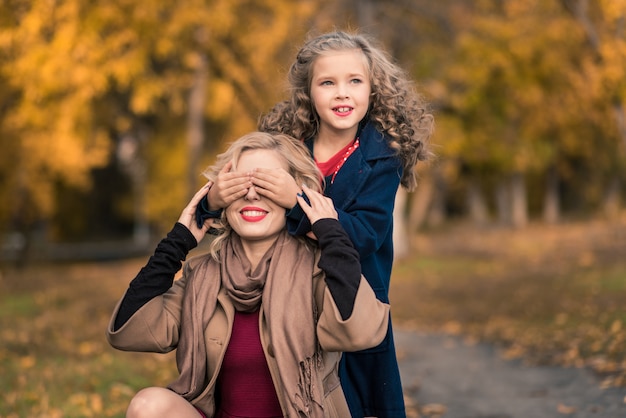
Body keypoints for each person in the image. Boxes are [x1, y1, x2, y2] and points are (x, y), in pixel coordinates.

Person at [200, 31, 434, 417]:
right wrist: (214, 200)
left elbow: (364, 236)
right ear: (309, 92)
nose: (342, 93)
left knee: (351, 401)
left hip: (350, 301)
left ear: (373, 89)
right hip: (283, 298)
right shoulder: (286, 146)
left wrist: (296, 201)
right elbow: (243, 207)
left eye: (354, 81)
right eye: (328, 83)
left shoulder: (380, 158)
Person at [106, 131, 390, 418]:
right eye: (240, 185)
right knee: (149, 405)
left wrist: (329, 230)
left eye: (268, 184)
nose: (252, 194)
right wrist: (177, 242)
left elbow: (360, 333)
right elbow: (129, 331)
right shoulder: (202, 275)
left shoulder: (319, 270)